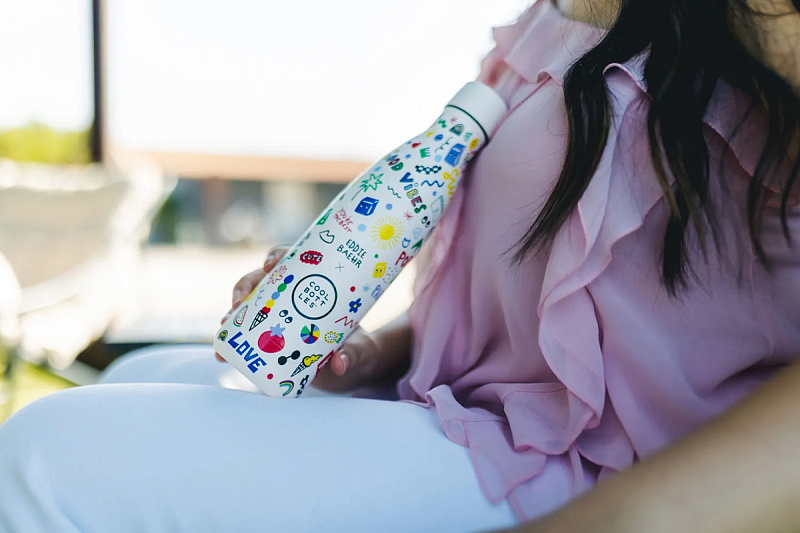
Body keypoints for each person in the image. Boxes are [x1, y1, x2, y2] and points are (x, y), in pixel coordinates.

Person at [0, 0, 798, 531]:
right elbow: (543, 300)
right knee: (137, 374)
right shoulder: (551, 19)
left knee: (47, 454)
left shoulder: (763, 21)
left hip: (595, 464)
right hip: (469, 408)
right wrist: (374, 347)